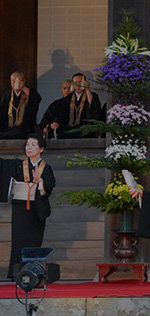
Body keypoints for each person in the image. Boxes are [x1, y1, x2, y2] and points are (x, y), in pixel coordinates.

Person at [0, 134, 55, 279]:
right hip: (20, 207)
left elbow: (49, 187)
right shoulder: (17, 165)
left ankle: (33, 272)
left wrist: (40, 182)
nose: (28, 147)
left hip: (37, 208)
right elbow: (2, 165)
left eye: (33, 145)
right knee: (18, 241)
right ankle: (16, 274)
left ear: (41, 149)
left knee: (34, 241)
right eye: (27, 144)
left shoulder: (46, 168)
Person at [48, 72, 101, 138]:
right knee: (61, 133)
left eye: (80, 82)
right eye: (75, 83)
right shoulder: (67, 99)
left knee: (85, 132)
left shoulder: (92, 95)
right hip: (69, 127)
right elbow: (59, 112)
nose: (78, 85)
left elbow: (93, 105)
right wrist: (56, 122)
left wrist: (87, 88)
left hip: (84, 127)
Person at [0, 72, 42, 140]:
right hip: (7, 128)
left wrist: (23, 87)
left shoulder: (28, 93)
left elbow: (36, 99)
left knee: (22, 132)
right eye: (13, 81)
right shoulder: (7, 96)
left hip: (23, 129)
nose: (15, 83)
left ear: (24, 81)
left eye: (19, 80)